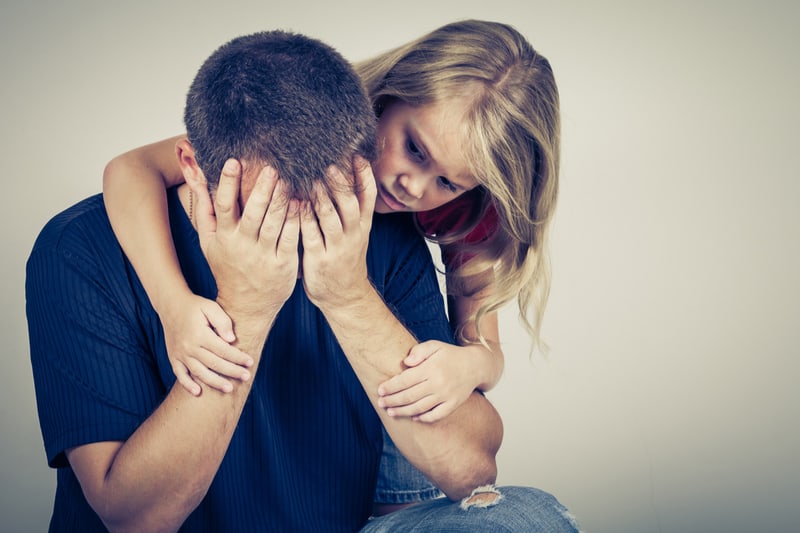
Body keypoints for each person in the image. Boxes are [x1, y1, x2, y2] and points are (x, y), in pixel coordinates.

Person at [27, 29, 579, 532]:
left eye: (447, 182)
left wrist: (469, 355)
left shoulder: (414, 226)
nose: (413, 187)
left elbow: (471, 463)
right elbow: (132, 169)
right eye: (413, 149)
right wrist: (204, 304)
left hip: (375, 472)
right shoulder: (81, 249)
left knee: (527, 518)